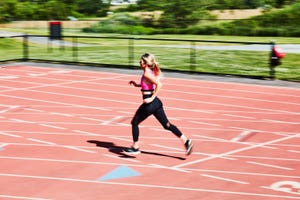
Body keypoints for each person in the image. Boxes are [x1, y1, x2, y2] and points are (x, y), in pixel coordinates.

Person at [123, 53, 193, 156]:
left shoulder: (147, 73)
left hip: (150, 104)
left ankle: (135, 147)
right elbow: (147, 85)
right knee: (167, 125)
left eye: (142, 61)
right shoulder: (148, 72)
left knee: (134, 122)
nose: (140, 62)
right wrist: (136, 84)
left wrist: (151, 98)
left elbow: (159, 84)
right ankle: (186, 141)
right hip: (156, 104)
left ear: (146, 63)